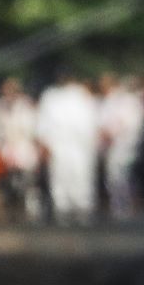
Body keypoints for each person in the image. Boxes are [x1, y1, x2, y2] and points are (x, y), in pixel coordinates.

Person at [36, 73, 101, 223]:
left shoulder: (82, 96)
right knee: (61, 176)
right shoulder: (51, 97)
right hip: (59, 144)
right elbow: (44, 123)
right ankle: (63, 207)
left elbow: (91, 123)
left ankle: (82, 207)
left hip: (79, 146)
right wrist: (45, 142)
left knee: (80, 175)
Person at [0, 78, 41, 221]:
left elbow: (32, 129)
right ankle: (8, 209)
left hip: (23, 146)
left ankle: (31, 210)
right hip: (5, 147)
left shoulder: (26, 106)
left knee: (29, 181)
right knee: (4, 182)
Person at [98, 73, 144, 219]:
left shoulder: (128, 102)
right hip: (115, 147)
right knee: (114, 179)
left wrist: (112, 133)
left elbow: (127, 125)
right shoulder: (113, 101)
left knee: (124, 178)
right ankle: (118, 207)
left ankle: (127, 207)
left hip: (126, 146)